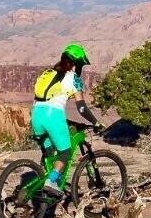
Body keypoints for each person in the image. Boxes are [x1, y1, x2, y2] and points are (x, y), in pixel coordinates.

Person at [32, 43, 101, 196]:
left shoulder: (48, 73)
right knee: (65, 152)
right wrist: (96, 122)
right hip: (53, 116)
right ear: (76, 64)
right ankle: (51, 181)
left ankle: (44, 193)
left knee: (50, 156)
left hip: (36, 115)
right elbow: (82, 108)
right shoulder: (73, 78)